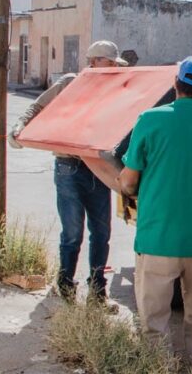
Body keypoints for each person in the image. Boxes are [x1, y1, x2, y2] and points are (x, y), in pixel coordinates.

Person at [117, 57, 192, 365]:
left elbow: (128, 180)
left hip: (158, 236)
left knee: (155, 318)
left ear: (175, 84)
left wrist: (127, 187)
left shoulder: (151, 120)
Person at [8, 40, 127, 304]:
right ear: (94, 61)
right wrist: (19, 128)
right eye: (109, 63)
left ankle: (97, 290)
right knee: (73, 232)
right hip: (69, 166)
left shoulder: (114, 88)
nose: (112, 69)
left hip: (99, 167)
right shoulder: (70, 83)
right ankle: (65, 283)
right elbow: (37, 107)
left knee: (102, 232)